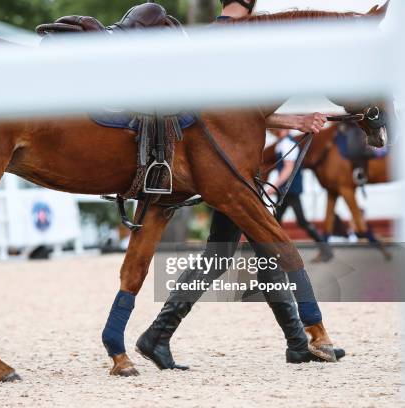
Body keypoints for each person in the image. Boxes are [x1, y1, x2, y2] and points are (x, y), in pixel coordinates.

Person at [135, 0, 343, 370]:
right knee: (264, 247)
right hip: (221, 168)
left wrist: (294, 120)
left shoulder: (226, 34)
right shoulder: (231, 35)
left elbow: (243, 110)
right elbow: (221, 113)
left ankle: (160, 336)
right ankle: (310, 335)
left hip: (229, 165)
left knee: (225, 255)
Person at [269, 128, 334, 262]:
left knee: (298, 221)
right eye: (275, 131)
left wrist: (274, 185)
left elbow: (288, 168)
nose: (276, 133)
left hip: (290, 189)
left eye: (278, 130)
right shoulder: (282, 144)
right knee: (276, 221)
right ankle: (274, 254)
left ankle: (325, 250)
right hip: (285, 189)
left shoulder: (287, 144)